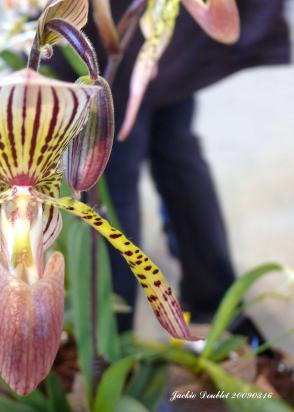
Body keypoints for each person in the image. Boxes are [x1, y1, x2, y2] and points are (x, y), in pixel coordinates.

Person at [52, 0, 291, 330]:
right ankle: (217, 309)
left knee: (114, 166)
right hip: (140, 35)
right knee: (171, 142)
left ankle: (111, 337)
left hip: (131, 30)